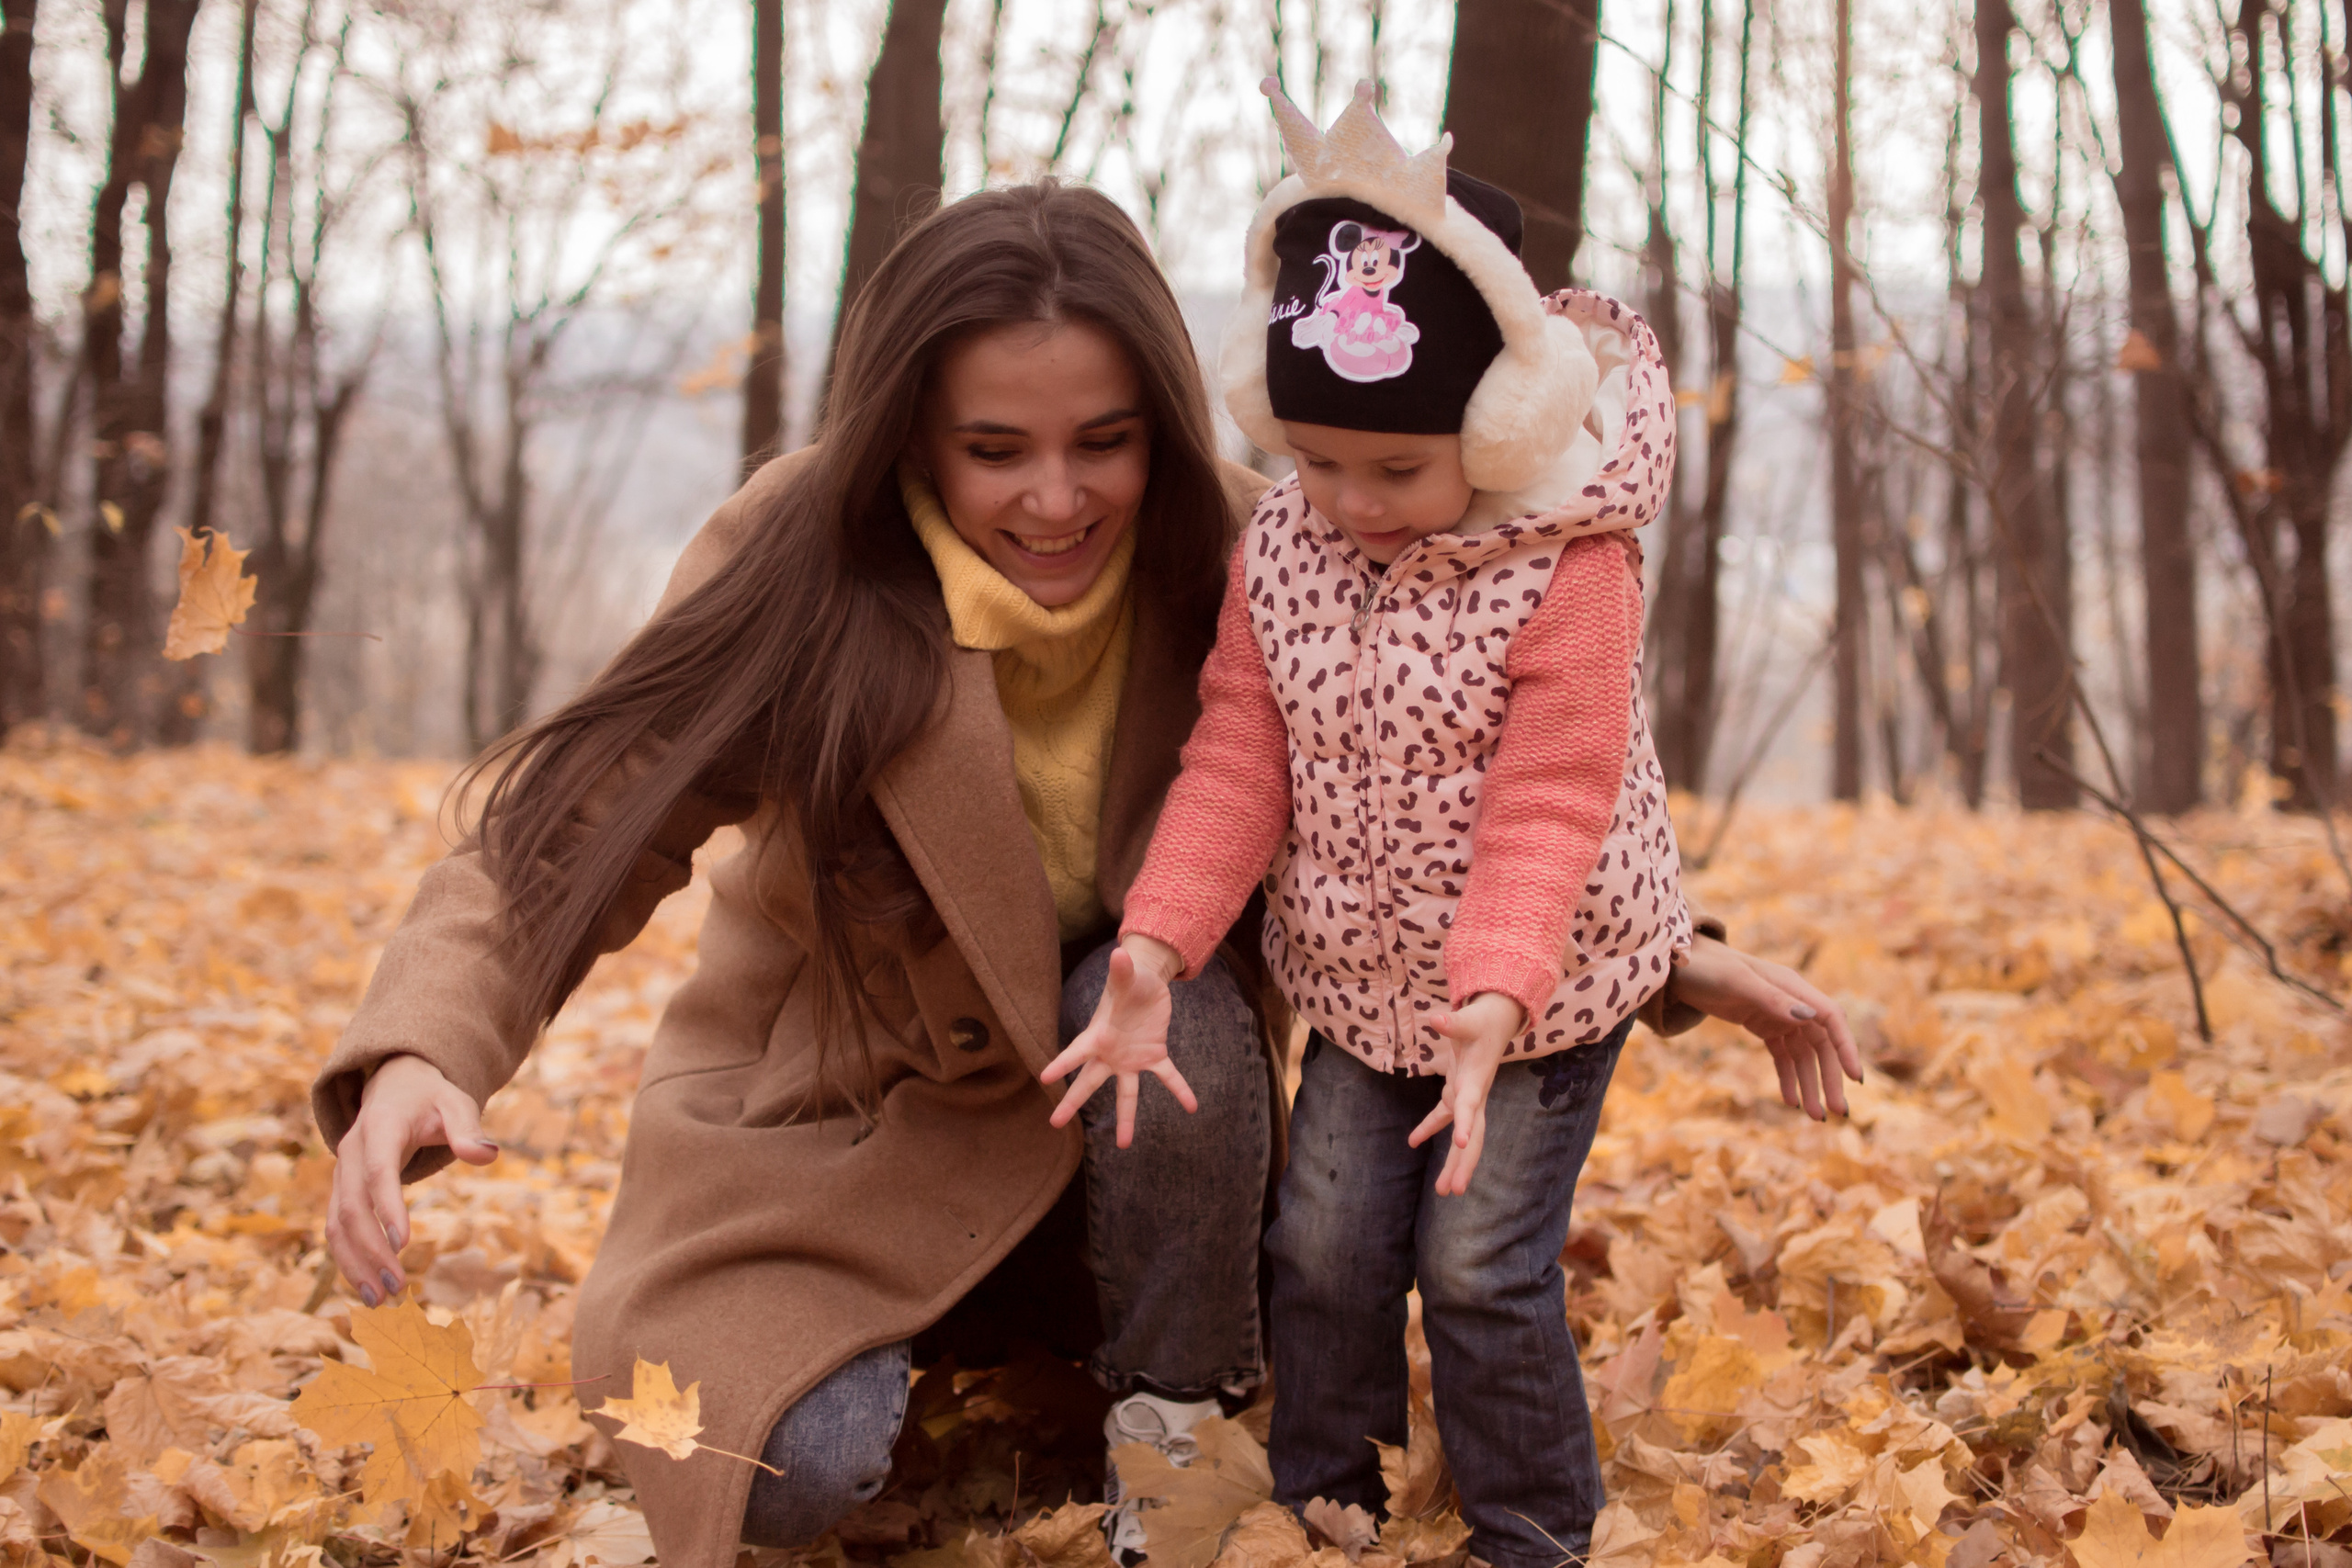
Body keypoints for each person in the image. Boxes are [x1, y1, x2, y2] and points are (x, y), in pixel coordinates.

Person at [312, 180, 1860, 1568]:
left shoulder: (1267, 550)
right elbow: (582, 815)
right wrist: (426, 1050)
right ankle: (912, 1353)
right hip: (841, 1135)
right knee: (782, 1481)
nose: (1054, 501)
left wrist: (1664, 960)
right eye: (995, 451)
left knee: (1161, 999)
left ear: (1162, 423)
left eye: (1101, 443)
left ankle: (1166, 1413)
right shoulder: (803, 556)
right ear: (911, 432)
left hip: (1140, 1153)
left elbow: (1487, 779)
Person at [1046, 85, 1858, 1568]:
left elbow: (1553, 799)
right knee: (1325, 1241)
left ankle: (1532, 1528)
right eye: (1318, 460)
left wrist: (1497, 990)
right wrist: (1158, 944)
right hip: (1361, 975)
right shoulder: (1286, 548)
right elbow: (1240, 754)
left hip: (1539, 980)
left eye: (1397, 469)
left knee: (1479, 1266)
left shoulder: (1572, 570)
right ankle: (1329, 1491)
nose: (1350, 500)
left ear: (1499, 425)